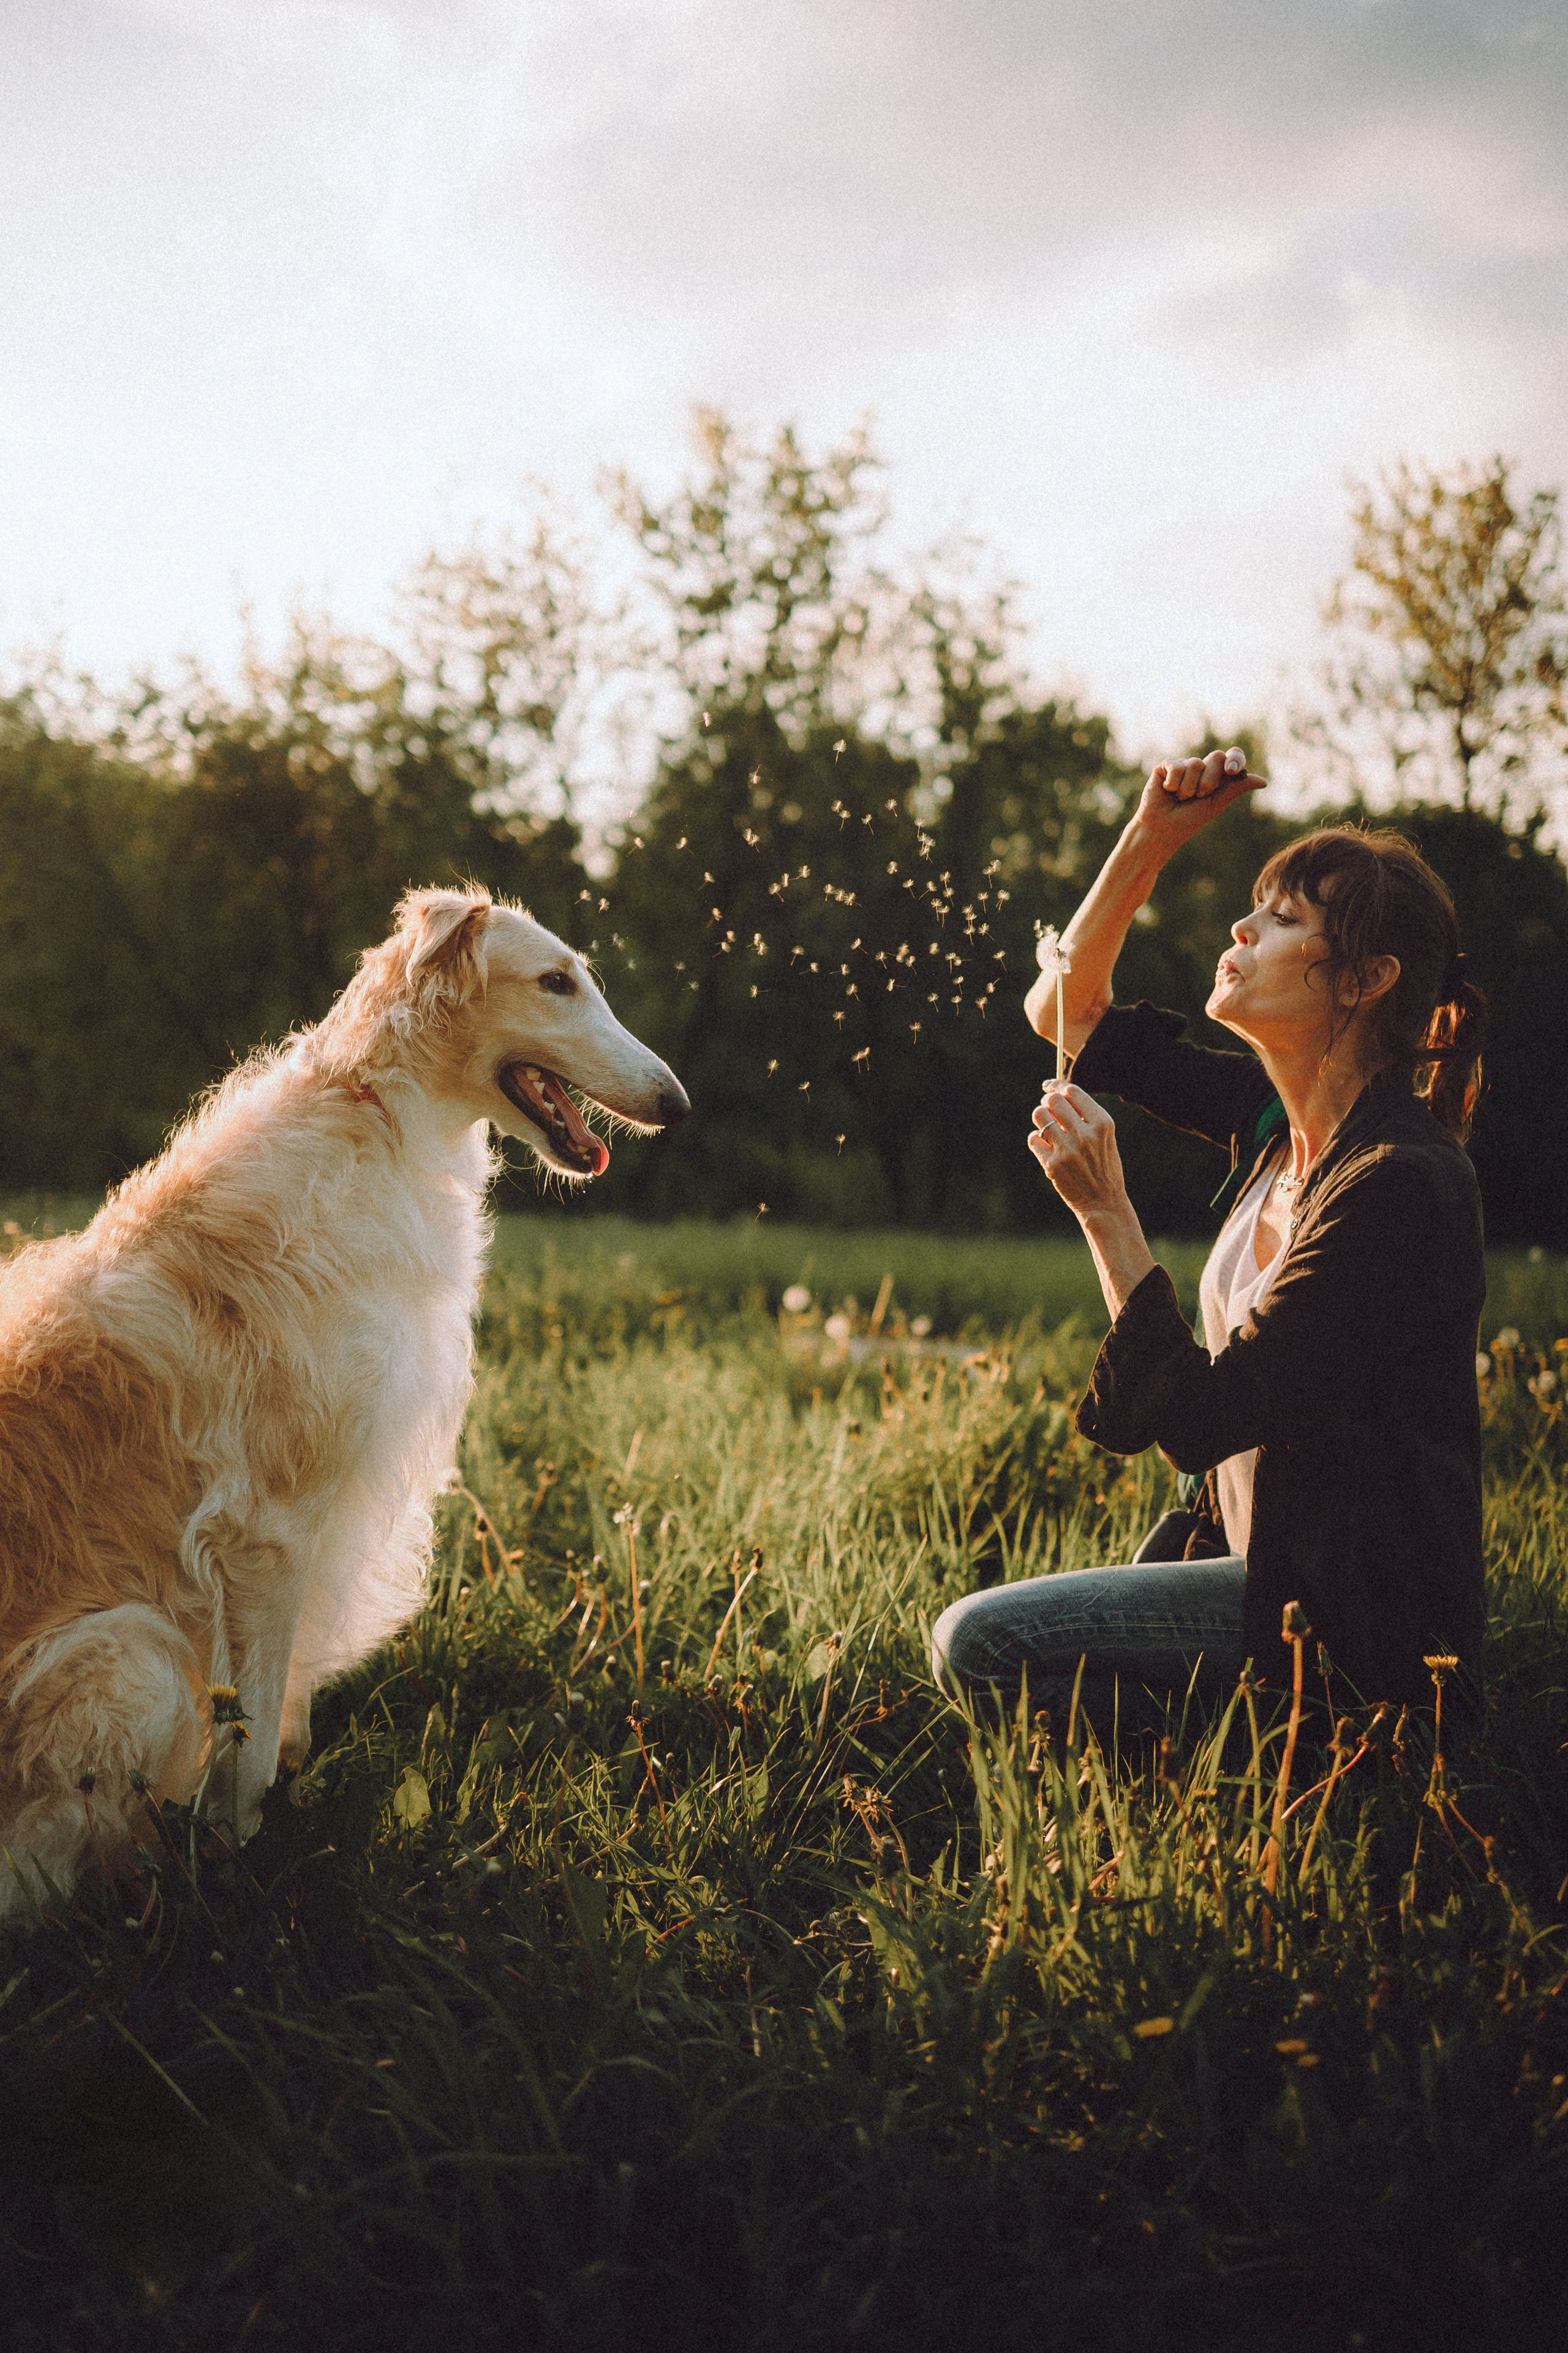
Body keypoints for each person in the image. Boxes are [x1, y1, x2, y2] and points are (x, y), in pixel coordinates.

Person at [931, 749, 1488, 1739]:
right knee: (1018, 1661)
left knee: (981, 1641)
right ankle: (1233, 1761)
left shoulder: (1397, 1184)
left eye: (1284, 918)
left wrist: (1107, 1212)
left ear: (1366, 980)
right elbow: (1061, 1013)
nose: (1244, 927)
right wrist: (1148, 841)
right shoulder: (1276, 1124)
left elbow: (1201, 1418)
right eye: (1255, 907)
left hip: (1345, 1618)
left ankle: (1304, 1755)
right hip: (1261, 1569)